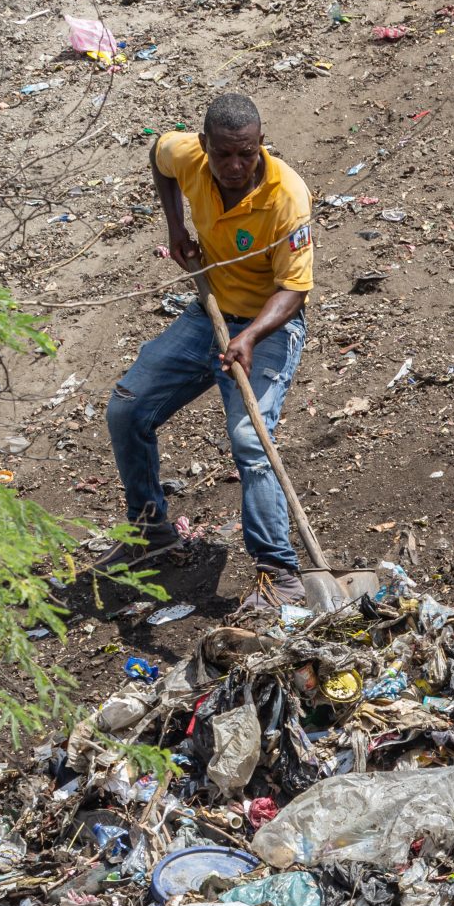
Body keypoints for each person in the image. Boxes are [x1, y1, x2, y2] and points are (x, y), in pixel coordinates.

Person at [104, 93, 315, 608]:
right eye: (224, 155)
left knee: (250, 440)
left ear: (260, 144)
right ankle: (151, 532)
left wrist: (249, 337)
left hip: (268, 325)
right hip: (211, 312)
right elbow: (158, 154)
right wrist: (176, 227)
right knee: (127, 408)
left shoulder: (287, 197)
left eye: (247, 153)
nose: (236, 166)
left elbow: (294, 290)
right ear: (205, 146)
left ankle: (279, 575)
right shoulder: (188, 156)